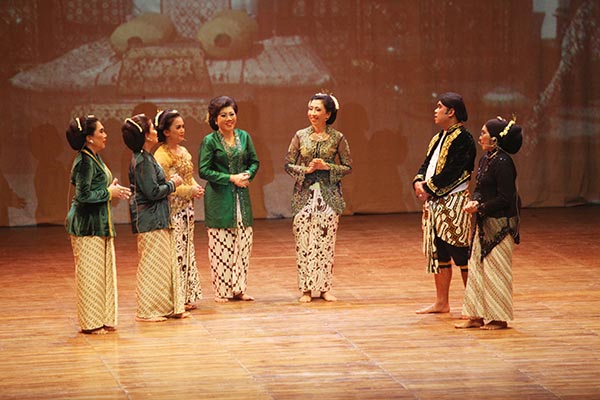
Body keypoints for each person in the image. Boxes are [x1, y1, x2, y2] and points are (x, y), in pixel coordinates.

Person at [65, 115, 131, 335]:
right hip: (87, 226)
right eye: (101, 131)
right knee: (90, 275)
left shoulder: (93, 158)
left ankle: (101, 319)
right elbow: (83, 195)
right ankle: (91, 323)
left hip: (98, 223)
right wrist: (108, 192)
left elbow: (94, 189)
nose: (105, 135)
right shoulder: (84, 161)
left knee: (100, 274)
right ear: (89, 137)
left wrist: (110, 189)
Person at [455, 116, 522, 330]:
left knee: (496, 270)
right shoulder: (486, 159)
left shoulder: (503, 162)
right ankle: (476, 315)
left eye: (484, 133)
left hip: (500, 224)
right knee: (477, 267)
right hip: (484, 222)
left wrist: (480, 207)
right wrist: (475, 200)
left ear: (495, 139)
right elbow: (479, 187)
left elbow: (506, 198)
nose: (480, 136)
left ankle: (498, 318)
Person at [284, 93, 352, 303]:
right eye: (310, 108)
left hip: (328, 195)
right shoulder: (300, 135)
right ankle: (305, 288)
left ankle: (324, 288)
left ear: (328, 114)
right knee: (303, 241)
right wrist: (306, 170)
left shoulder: (338, 137)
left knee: (325, 242)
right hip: (303, 195)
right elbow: (288, 164)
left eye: (317, 109)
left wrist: (327, 166)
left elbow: (348, 166)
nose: (312, 113)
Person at [122, 114, 189, 322]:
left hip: (158, 217)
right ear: (145, 135)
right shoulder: (142, 161)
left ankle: (166, 306)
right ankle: (147, 310)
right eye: (151, 128)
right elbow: (152, 192)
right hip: (149, 219)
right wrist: (173, 184)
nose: (155, 131)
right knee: (151, 265)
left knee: (162, 265)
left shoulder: (146, 157)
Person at [413, 92, 476, 314]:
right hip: (435, 203)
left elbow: (455, 172)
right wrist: (418, 182)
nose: (435, 110)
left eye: (439, 106)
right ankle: (442, 302)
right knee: (439, 252)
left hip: (454, 202)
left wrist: (428, 188)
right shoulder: (438, 137)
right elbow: (426, 164)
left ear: (451, 111)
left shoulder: (464, 139)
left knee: (460, 252)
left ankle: (474, 304)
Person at [198, 96, 260, 302]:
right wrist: (231, 178)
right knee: (220, 246)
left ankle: (239, 289)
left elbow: (254, 162)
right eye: (223, 115)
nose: (228, 119)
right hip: (219, 199)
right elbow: (204, 170)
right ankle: (222, 291)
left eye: (231, 114)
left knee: (244, 243)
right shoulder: (210, 141)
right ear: (215, 119)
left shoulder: (244, 136)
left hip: (242, 198)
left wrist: (248, 174)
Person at [154, 110, 204, 311]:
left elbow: (188, 177)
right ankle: (175, 297)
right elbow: (168, 186)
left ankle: (185, 295)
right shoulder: (161, 156)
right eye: (178, 127)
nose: (183, 130)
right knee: (176, 253)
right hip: (172, 210)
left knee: (187, 250)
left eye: (183, 126)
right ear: (166, 131)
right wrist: (189, 190)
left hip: (187, 209)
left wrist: (196, 187)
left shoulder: (183, 151)